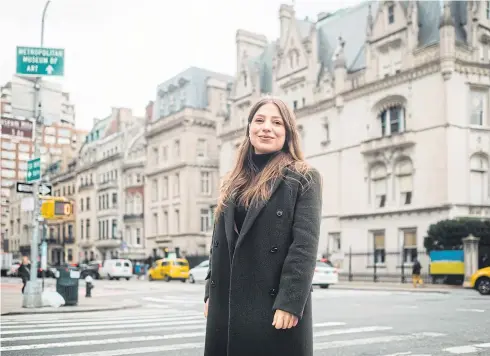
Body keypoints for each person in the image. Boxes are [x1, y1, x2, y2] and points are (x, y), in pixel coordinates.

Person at [203, 96, 322, 356]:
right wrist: (210, 290)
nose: (266, 127)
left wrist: (290, 302)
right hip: (227, 301)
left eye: (276, 122)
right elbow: (218, 243)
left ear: (287, 132)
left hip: (272, 305)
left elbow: (304, 246)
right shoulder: (232, 181)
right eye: (259, 120)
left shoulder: (302, 176)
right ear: (249, 129)